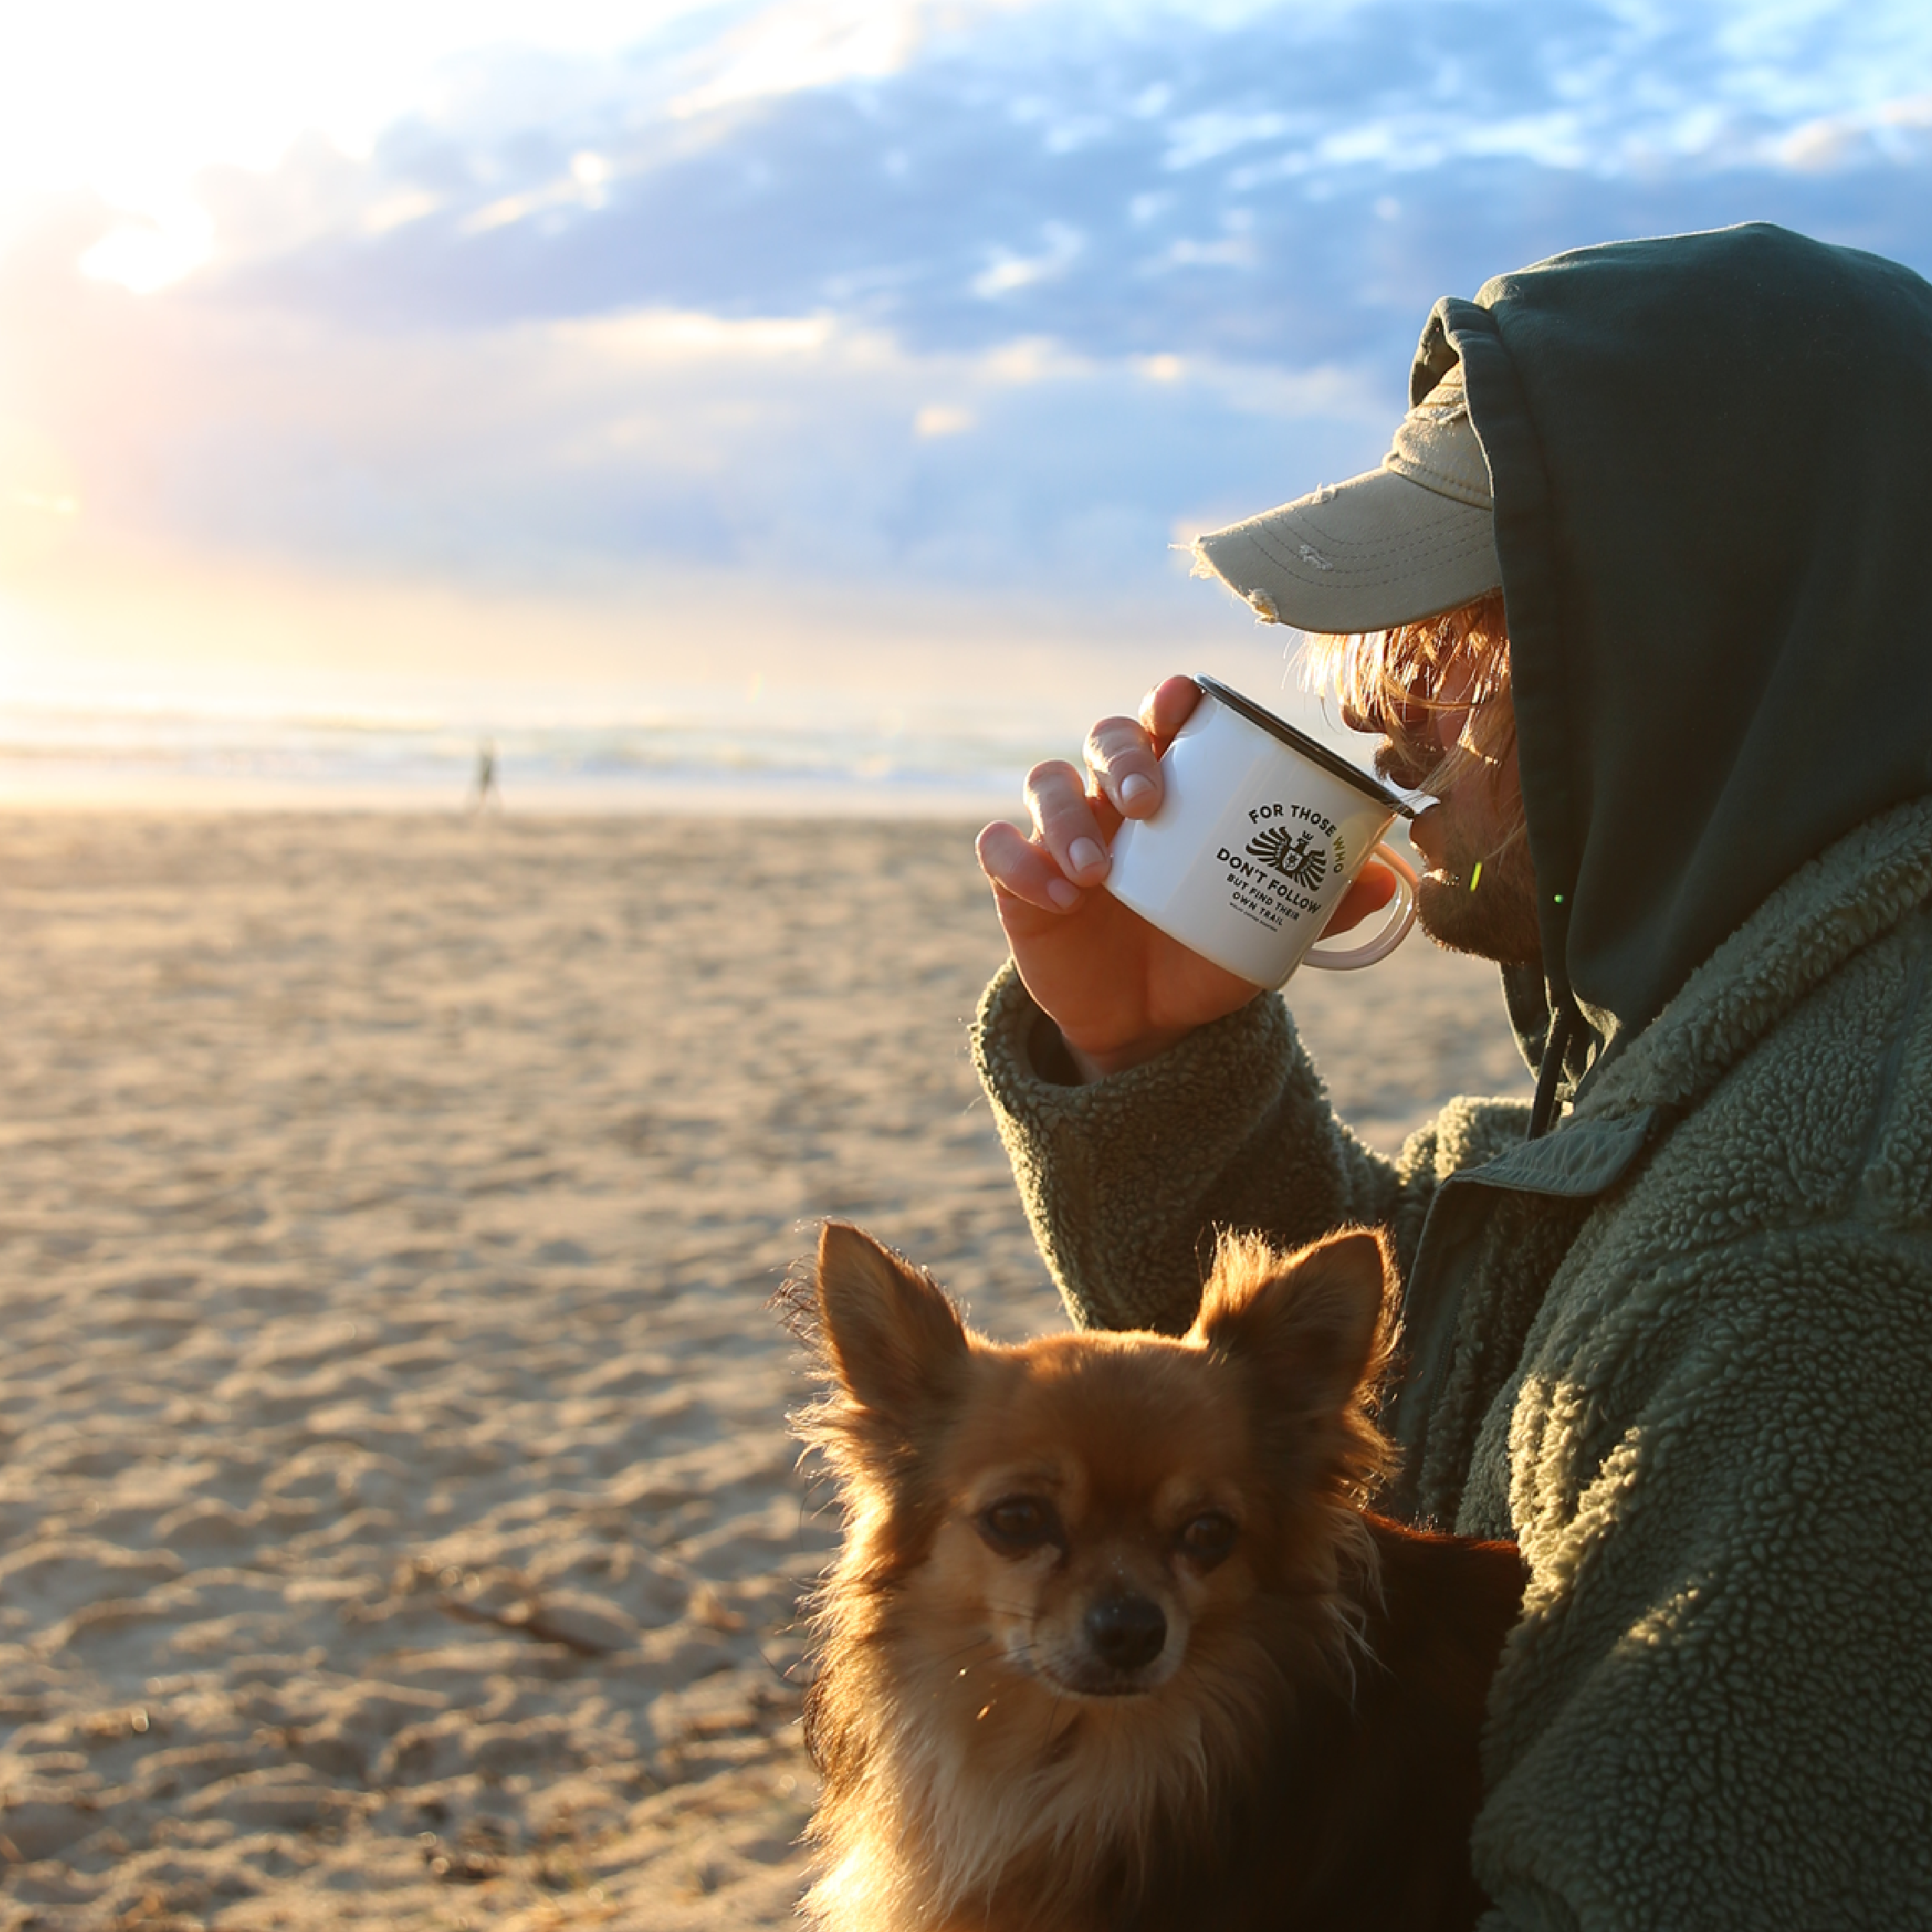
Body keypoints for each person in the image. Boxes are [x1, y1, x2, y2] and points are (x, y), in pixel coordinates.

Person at [971, 223, 1932, 1927]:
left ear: (1685, 643)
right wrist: (1156, 1048)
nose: (1384, 727)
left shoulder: (1817, 1253)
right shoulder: (1748, 1010)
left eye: (1435, 648)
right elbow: (1434, 1389)